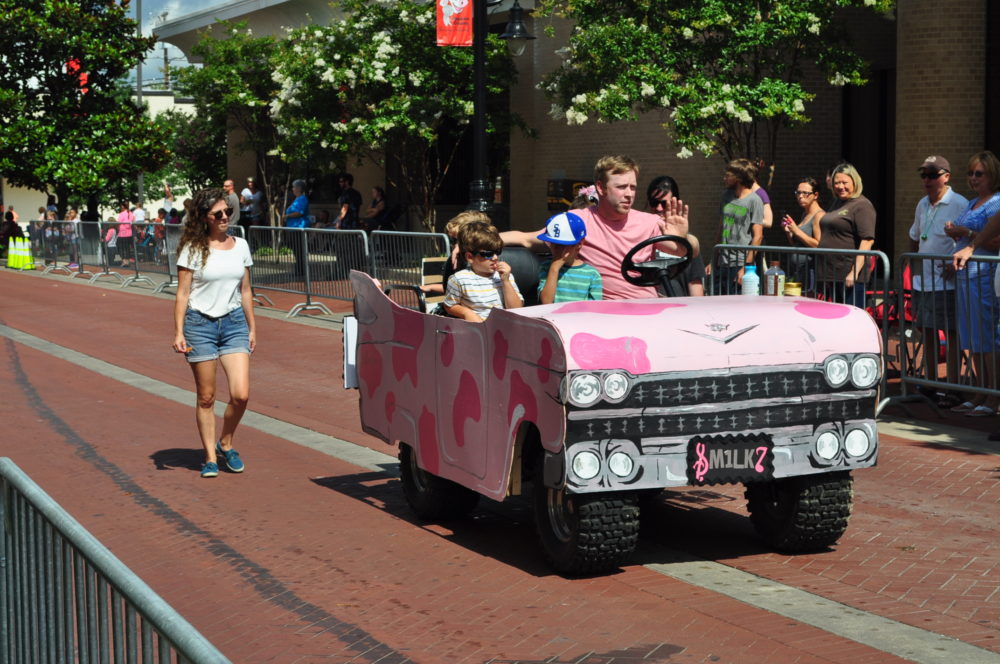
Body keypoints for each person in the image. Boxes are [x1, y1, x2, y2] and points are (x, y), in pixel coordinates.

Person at [502, 155, 690, 300]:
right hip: (600, 311)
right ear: (600, 187)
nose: (629, 194)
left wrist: (683, 237)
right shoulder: (578, 221)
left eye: (633, 187)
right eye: (622, 187)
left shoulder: (649, 222)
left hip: (647, 308)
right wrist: (476, 239)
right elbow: (526, 239)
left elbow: (686, 250)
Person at [172, 187, 256, 478]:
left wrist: (252, 327)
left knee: (241, 394)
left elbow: (245, 291)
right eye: (217, 213)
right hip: (200, 325)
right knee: (206, 397)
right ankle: (210, 457)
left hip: (233, 324)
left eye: (228, 212)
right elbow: (183, 293)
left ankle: (226, 441)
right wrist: (179, 332)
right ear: (204, 217)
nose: (224, 217)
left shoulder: (241, 245)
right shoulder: (193, 249)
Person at [907, 156, 967, 407]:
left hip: (947, 282)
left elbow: (967, 239)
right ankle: (931, 383)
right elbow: (914, 235)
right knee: (928, 332)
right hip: (924, 280)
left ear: (946, 176)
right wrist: (913, 267)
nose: (927, 180)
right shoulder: (923, 203)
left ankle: (951, 387)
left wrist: (957, 263)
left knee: (951, 334)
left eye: (933, 175)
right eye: (924, 175)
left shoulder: (959, 203)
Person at [945, 151, 1000, 416]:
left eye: (979, 173)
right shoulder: (972, 203)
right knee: (973, 336)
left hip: (985, 275)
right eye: (970, 173)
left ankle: (992, 395)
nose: (974, 178)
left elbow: (996, 241)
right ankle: (980, 390)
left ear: (992, 175)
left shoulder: (996, 203)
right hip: (965, 276)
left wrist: (965, 233)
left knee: (987, 335)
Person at [815, 163, 876, 308]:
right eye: (837, 183)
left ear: (854, 182)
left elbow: (867, 240)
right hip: (832, 274)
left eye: (844, 182)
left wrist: (854, 273)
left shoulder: (862, 205)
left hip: (848, 275)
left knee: (851, 318)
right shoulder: (837, 203)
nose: (840, 186)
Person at [444, 221, 523, 321]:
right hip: (478, 330)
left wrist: (506, 281)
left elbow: (516, 310)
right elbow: (449, 306)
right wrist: (467, 313)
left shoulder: (505, 275)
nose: (495, 257)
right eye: (488, 254)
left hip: (505, 327)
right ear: (470, 257)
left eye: (497, 252)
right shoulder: (459, 279)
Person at [708, 159, 764, 295]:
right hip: (722, 262)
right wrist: (712, 261)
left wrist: (746, 267)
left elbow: (758, 236)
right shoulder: (726, 196)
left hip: (740, 263)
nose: (724, 179)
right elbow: (721, 229)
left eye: (727, 176)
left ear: (738, 178)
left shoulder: (754, 200)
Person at [647, 175, 705, 296]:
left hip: (678, 306)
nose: (658, 208)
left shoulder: (687, 241)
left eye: (664, 204)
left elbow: (695, 285)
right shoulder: (642, 235)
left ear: (674, 202)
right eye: (654, 202)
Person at [536, 211, 602, 304]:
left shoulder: (592, 274)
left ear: (579, 244)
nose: (555, 248)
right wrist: (554, 268)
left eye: (561, 244)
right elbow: (546, 302)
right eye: (552, 243)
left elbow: (595, 308)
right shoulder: (547, 268)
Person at [781, 176, 825, 290]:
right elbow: (797, 244)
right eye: (798, 193)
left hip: (810, 271)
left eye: (805, 193)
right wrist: (789, 232)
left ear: (815, 195)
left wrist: (796, 230)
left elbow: (818, 245)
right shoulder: (805, 215)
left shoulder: (819, 216)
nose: (800, 196)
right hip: (799, 271)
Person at [284, 179, 310, 277]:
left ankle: (301, 271)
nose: (293, 189)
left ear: (299, 188)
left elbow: (300, 213)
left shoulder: (303, 199)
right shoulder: (296, 199)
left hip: (299, 227)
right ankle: (298, 269)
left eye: (294, 187)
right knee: (296, 250)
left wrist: (287, 216)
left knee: (299, 249)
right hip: (292, 227)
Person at [115, 202, 134, 267]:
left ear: (123, 207)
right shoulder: (131, 213)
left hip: (122, 233)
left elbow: (118, 222)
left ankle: (124, 261)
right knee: (127, 248)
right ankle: (127, 261)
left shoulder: (122, 214)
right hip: (129, 233)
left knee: (120, 247)